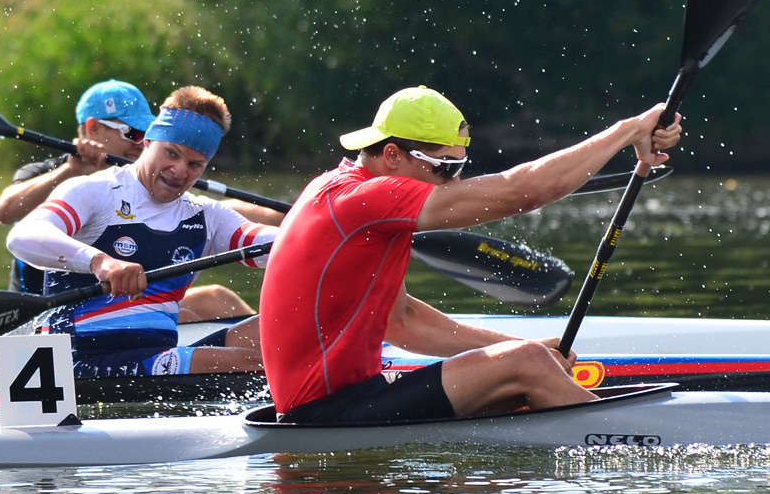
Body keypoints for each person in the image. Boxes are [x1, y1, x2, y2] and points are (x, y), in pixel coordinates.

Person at [259, 86, 683, 424]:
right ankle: (633, 443)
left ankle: (594, 431)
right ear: (392, 155)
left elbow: (403, 323)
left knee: (526, 367)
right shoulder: (367, 198)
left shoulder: (338, 189)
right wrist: (629, 131)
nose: (452, 180)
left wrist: (526, 347)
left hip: (340, 400)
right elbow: (522, 191)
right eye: (443, 167)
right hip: (322, 413)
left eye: (460, 167)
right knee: (528, 365)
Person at [6, 86, 279, 378]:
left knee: (290, 326)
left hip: (154, 357)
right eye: (171, 153)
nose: (179, 171)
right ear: (149, 141)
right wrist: (101, 262)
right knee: (254, 364)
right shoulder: (96, 191)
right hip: (82, 362)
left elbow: (274, 244)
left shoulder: (207, 216)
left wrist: (324, 233)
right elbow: (22, 236)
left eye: (194, 164)